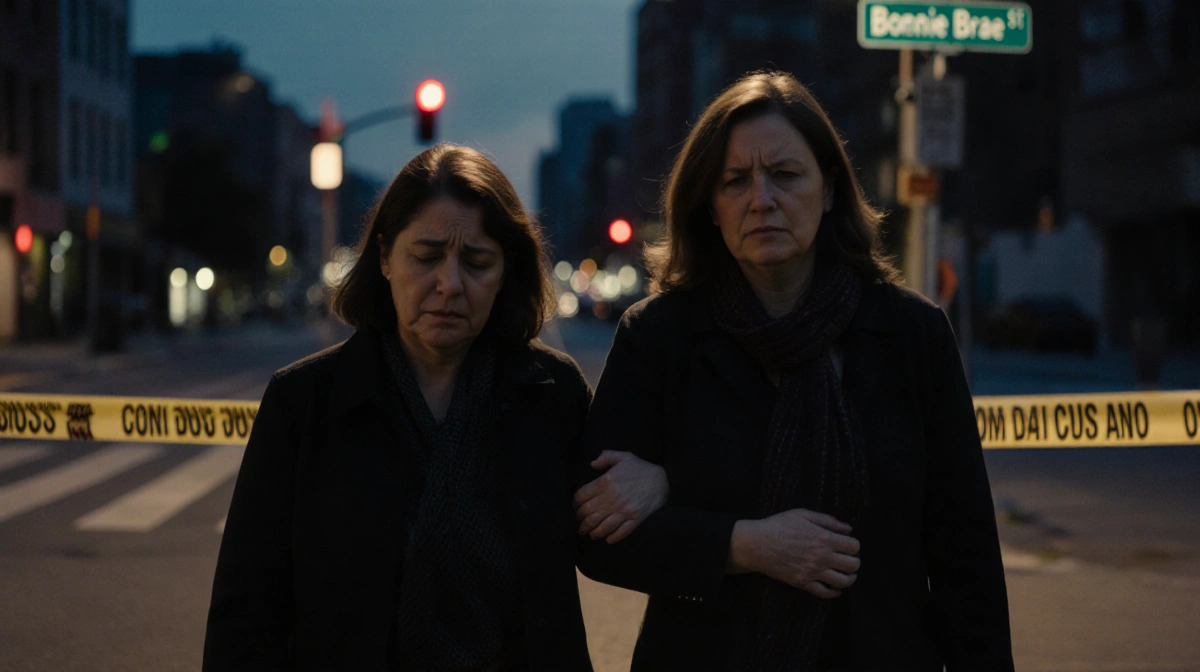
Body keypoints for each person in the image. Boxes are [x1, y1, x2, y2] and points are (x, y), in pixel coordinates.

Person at [572, 71, 1014, 671]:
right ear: (710, 206)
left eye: (785, 175)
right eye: (735, 181)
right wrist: (743, 544)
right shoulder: (660, 337)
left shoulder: (912, 335)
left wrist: (677, 481)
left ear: (829, 189)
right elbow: (600, 543)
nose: (762, 199)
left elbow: (968, 561)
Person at [204, 144, 594, 671]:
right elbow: (246, 614)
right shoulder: (304, 403)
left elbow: (612, 543)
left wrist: (650, 482)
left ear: (507, 271)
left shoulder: (553, 393)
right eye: (426, 256)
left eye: (477, 262)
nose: (449, 285)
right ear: (385, 257)